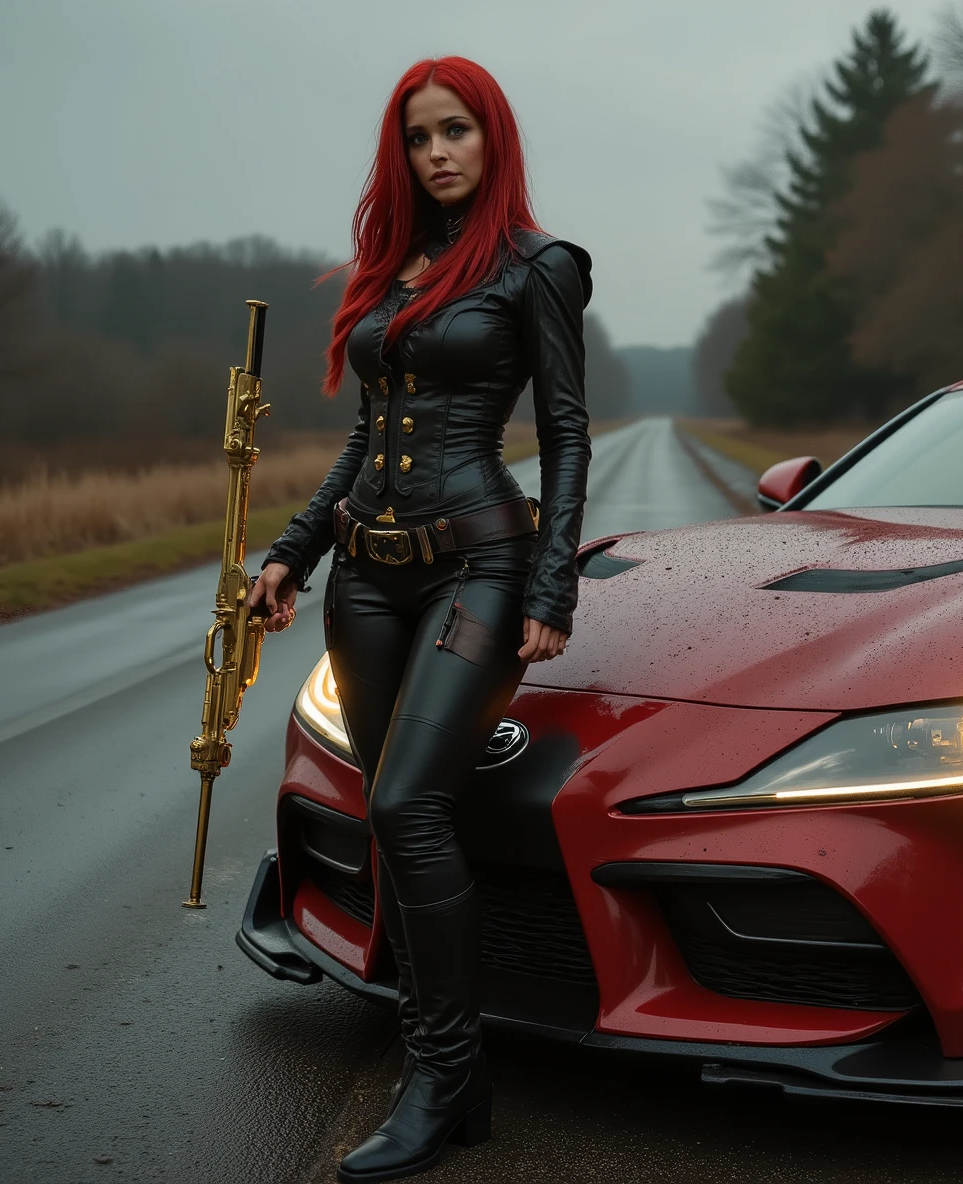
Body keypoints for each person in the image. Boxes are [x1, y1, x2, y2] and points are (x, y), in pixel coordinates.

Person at [247, 55, 590, 1182]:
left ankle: (438, 1077)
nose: (437, 151)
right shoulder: (392, 273)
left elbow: (569, 433)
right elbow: (362, 442)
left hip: (476, 565)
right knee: (394, 811)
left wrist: (550, 587)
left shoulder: (538, 267)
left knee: (406, 796)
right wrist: (294, 548)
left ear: (493, 141)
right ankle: (458, 1074)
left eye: (456, 131)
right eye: (418, 136)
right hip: (367, 576)